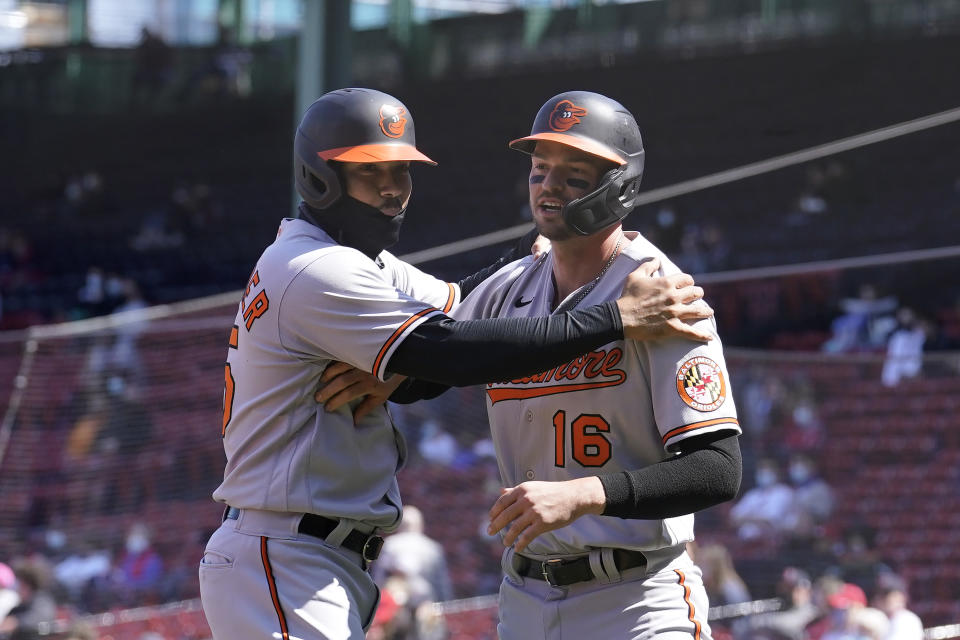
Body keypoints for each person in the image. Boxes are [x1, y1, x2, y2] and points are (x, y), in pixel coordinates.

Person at [198, 87, 716, 640]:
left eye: (403, 172)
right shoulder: (313, 268)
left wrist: (541, 243)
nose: (395, 190)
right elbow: (452, 350)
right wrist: (616, 317)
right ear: (321, 177)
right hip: (283, 553)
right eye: (373, 174)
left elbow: (461, 305)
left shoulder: (362, 266)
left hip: (310, 553)